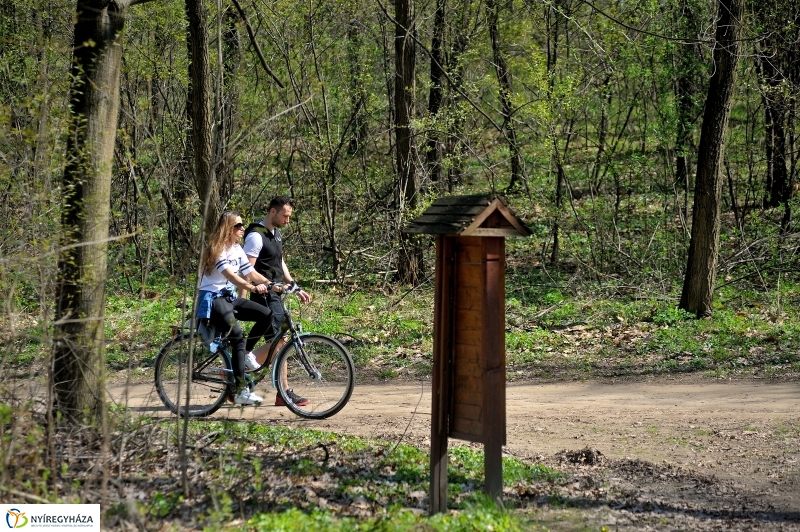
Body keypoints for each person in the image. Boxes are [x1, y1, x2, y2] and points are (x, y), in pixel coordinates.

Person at [197, 211, 276, 405]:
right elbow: (232, 276)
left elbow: (251, 272)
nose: (242, 229)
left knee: (267, 315)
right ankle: (240, 391)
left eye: (242, 226)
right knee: (238, 336)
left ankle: (246, 355)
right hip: (212, 299)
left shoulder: (237, 249)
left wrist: (273, 284)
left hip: (227, 297)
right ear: (228, 228)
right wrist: (250, 287)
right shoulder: (217, 249)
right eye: (238, 226)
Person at [242, 196, 312, 406]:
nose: (287, 220)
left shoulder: (275, 234)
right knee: (281, 341)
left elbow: (279, 261)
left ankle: (240, 371)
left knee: (279, 341)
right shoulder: (256, 236)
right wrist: (242, 299)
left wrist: (294, 285)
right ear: (273, 212)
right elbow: (247, 270)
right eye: (285, 215)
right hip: (263, 294)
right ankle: (283, 392)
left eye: (289, 216)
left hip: (276, 293)